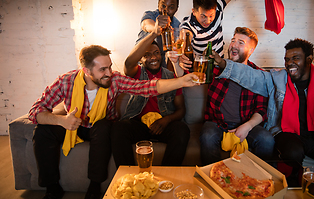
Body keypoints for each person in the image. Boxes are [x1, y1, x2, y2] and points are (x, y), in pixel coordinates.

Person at [28, 45, 198, 199]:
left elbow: (146, 87)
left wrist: (181, 81)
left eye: (109, 66)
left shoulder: (114, 80)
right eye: (103, 69)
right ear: (87, 71)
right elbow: (35, 111)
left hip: (100, 128)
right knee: (42, 130)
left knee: (103, 127)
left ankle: (94, 187)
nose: (109, 72)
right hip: (72, 125)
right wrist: (61, 120)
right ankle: (52, 188)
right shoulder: (65, 81)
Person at [215, 38, 314, 198]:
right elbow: (251, 75)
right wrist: (223, 63)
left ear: (309, 60)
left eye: (295, 58)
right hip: (287, 133)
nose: (290, 63)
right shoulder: (277, 78)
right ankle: (290, 189)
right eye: (287, 59)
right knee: (293, 152)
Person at [111, 17, 190, 167]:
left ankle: (168, 176)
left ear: (161, 55)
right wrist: (154, 33)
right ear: (141, 59)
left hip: (163, 125)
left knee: (182, 130)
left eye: (156, 53)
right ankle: (127, 176)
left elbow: (181, 110)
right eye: (147, 55)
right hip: (139, 125)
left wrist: (166, 120)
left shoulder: (172, 77)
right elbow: (128, 63)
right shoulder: (136, 73)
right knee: (119, 128)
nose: (153, 57)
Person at [199, 27, 274, 165]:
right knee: (207, 136)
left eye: (241, 42)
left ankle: (259, 179)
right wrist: (176, 61)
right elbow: (188, 75)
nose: (234, 45)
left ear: (251, 51)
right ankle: (212, 177)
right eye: (233, 41)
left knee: (266, 139)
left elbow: (261, 110)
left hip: (245, 124)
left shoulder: (259, 75)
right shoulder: (215, 68)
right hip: (217, 123)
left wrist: (247, 126)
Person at [179, 0, 271, 70]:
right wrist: (181, 55)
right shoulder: (188, 25)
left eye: (211, 16)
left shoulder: (218, 6)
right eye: (203, 16)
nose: (208, 21)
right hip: (201, 70)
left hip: (220, 66)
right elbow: (185, 38)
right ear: (194, 11)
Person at [136, 0, 180, 67]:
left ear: (176, 9)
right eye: (163, 5)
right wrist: (157, 27)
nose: (166, 9)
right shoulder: (150, 15)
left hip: (161, 68)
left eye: (171, 7)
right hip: (142, 64)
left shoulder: (177, 26)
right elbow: (146, 25)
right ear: (158, 5)